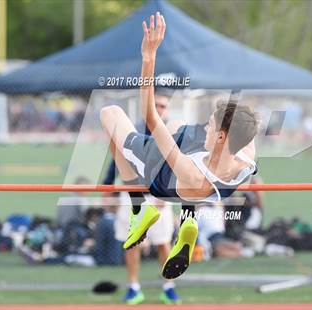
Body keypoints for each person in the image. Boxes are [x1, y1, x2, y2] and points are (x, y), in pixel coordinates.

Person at [100, 12, 258, 279]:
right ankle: (188, 219)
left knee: (110, 114)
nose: (206, 128)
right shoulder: (247, 156)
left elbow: (150, 116)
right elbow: (244, 122)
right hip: (209, 186)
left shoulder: (189, 169)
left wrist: (149, 58)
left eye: (210, 126)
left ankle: (138, 209)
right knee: (181, 130)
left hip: (160, 178)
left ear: (221, 137)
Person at [102, 92, 180, 304]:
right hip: (133, 196)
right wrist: (107, 188)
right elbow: (117, 158)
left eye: (163, 106)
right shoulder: (134, 129)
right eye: (155, 105)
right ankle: (134, 287)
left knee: (163, 243)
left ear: (167, 109)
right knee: (132, 243)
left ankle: (169, 286)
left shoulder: (170, 134)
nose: (159, 109)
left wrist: (165, 196)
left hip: (158, 194)